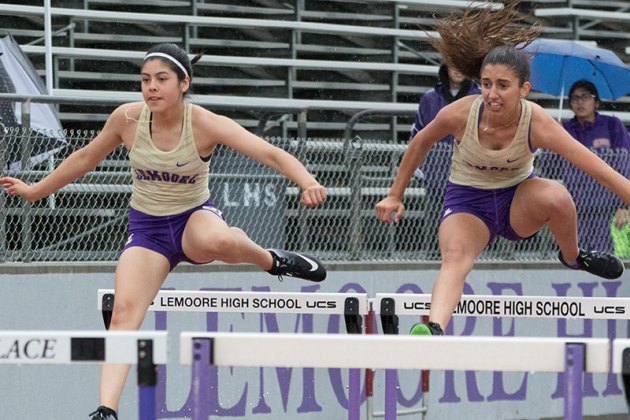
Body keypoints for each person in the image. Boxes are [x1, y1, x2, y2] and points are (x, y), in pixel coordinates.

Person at [0, 43, 327, 420]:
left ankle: (273, 261)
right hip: (147, 230)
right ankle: (106, 410)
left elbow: (269, 153)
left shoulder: (203, 122)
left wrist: (306, 181)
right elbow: (85, 158)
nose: (151, 88)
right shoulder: (127, 119)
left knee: (220, 239)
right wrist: (35, 190)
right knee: (124, 313)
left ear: (184, 83)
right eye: (144, 80)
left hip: (193, 219)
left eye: (161, 80)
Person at [374, 1, 627, 336]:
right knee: (454, 257)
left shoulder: (536, 121)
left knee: (558, 196)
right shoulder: (461, 113)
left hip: (517, 201)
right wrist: (395, 194)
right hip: (468, 201)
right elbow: (420, 142)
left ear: (524, 89)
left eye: (502, 85)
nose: (492, 94)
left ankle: (573, 256)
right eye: (486, 84)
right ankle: (433, 329)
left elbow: (596, 168)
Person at [410, 64, 480, 258]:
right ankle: (432, 259)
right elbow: (418, 133)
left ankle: (466, 260)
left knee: (468, 224)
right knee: (434, 223)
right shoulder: (430, 98)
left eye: (461, 63)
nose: (458, 69)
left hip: (469, 177)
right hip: (436, 176)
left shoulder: (479, 98)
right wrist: (419, 166)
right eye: (453, 63)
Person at [562, 79, 630, 255]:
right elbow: (550, 165)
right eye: (575, 98)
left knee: (605, 257)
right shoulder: (565, 129)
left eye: (585, 97)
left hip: (607, 206)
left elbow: (625, 164)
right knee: (577, 256)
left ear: (596, 102)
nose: (580, 102)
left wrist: (625, 204)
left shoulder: (612, 125)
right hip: (576, 206)